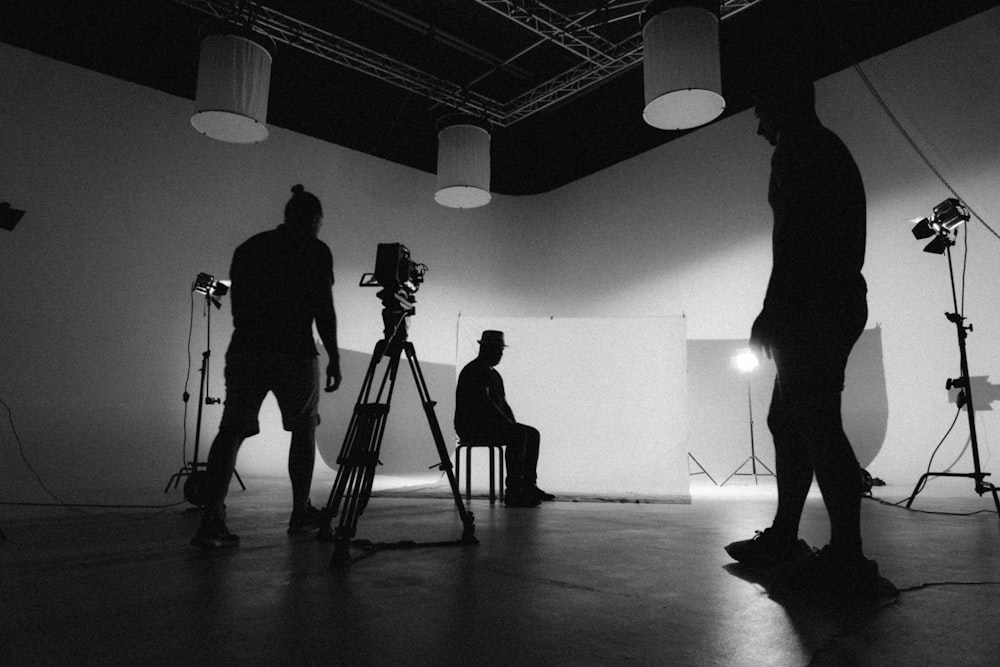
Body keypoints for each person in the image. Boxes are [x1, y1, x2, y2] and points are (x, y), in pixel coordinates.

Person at [724, 80, 879, 593]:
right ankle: (789, 538)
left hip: (813, 303)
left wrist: (770, 311)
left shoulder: (798, 149)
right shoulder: (825, 148)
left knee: (815, 423)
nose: (758, 126)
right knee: (789, 419)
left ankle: (847, 557)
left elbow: (793, 235)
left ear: (782, 107)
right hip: (826, 300)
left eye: (761, 110)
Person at [191, 184, 342, 549]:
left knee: (231, 431)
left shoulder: (250, 248)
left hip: (247, 349)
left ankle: (212, 518)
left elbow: (238, 305)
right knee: (303, 431)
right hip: (295, 352)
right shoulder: (315, 250)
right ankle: (300, 511)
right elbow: (322, 307)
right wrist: (334, 355)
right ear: (315, 220)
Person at [455, 330, 553, 507]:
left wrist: (512, 424)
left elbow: (503, 404)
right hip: (472, 427)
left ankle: (528, 485)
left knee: (531, 433)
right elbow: (485, 404)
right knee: (518, 434)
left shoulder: (494, 374)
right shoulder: (475, 370)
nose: (500, 354)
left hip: (488, 425)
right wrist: (509, 426)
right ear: (485, 349)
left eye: (501, 350)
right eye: (497, 350)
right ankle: (514, 492)